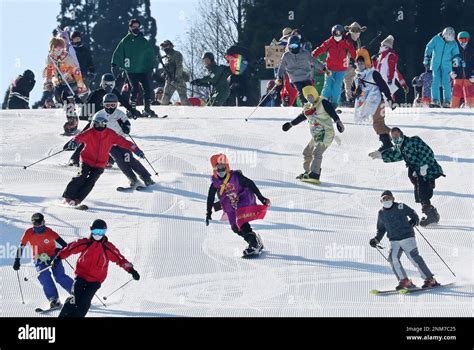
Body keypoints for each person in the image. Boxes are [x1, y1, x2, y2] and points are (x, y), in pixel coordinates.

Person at [55, 219, 140, 317]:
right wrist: (59, 257)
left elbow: (120, 259)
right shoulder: (85, 243)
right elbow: (70, 248)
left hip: (95, 281)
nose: (98, 235)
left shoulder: (107, 247)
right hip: (81, 276)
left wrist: (131, 270)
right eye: (96, 232)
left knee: (84, 302)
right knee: (74, 299)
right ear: (91, 230)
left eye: (101, 232)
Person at [62, 113, 145, 206]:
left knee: (91, 181)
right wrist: (74, 142)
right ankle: (68, 197)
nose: (100, 126)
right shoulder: (90, 132)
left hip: (100, 164)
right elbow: (79, 137)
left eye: (103, 123)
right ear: (94, 123)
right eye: (98, 124)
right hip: (87, 160)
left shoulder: (110, 134)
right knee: (81, 176)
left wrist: (136, 150)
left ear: (106, 123)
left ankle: (77, 200)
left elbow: (125, 142)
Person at [369, 127, 445, 226]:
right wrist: (381, 155)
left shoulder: (413, 141)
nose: (395, 137)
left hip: (427, 169)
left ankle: (431, 216)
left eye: (397, 134)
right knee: (420, 193)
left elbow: (428, 152)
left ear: (401, 133)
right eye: (393, 136)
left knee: (423, 192)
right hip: (417, 172)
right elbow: (395, 155)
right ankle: (431, 214)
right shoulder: (399, 146)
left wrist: (424, 166)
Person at [370, 190, 439, 290]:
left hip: (407, 237)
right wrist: (376, 240)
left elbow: (412, 213)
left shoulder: (400, 206)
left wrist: (414, 220)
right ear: (381, 201)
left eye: (388, 198)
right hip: (394, 240)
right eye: (384, 199)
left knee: (413, 257)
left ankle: (430, 279)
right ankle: (404, 281)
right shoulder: (381, 213)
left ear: (393, 199)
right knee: (393, 259)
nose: (386, 200)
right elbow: (381, 229)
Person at [67, 73, 141, 166]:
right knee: (86, 138)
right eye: (106, 84)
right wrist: (84, 109)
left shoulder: (115, 93)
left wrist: (132, 110)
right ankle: (74, 158)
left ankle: (108, 159)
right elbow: (87, 106)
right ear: (102, 83)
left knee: (110, 140)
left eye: (111, 84)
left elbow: (124, 101)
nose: (109, 87)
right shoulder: (97, 93)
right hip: (96, 121)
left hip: (110, 121)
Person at [206, 154, 270, 257]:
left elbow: (250, 184)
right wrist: (208, 212)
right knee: (235, 227)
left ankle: (254, 244)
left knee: (240, 219)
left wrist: (261, 198)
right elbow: (210, 197)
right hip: (231, 203)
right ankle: (254, 240)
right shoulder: (215, 182)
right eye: (218, 168)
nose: (221, 171)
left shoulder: (236, 176)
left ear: (227, 167)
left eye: (223, 168)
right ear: (214, 169)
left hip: (244, 197)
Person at [282, 85, 344, 183]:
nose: (309, 98)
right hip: (317, 135)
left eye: (311, 95)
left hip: (326, 133)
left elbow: (332, 112)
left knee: (317, 152)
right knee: (307, 152)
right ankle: (308, 172)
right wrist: (290, 124)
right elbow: (301, 117)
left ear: (315, 94)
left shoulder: (322, 102)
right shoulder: (307, 107)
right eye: (307, 97)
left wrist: (338, 122)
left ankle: (315, 174)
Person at [13, 213, 73, 309]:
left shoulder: (50, 232)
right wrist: (17, 260)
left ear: (43, 222)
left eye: (40, 224)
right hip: (39, 258)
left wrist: (59, 250)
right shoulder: (28, 233)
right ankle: (54, 299)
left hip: (53, 256)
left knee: (59, 276)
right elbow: (21, 247)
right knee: (44, 276)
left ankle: (76, 293)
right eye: (35, 224)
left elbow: (65, 245)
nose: (38, 226)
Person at [97, 93, 155, 187]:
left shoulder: (120, 114)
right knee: (119, 160)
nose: (110, 107)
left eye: (113, 105)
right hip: (109, 143)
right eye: (108, 105)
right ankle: (132, 178)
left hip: (121, 140)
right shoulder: (99, 115)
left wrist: (126, 128)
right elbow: (93, 129)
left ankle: (146, 177)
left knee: (129, 158)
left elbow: (127, 124)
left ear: (116, 104)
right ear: (103, 104)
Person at [111, 19, 158, 117]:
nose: (136, 28)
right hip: (131, 70)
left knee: (147, 89)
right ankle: (131, 109)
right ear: (130, 27)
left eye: (137, 27)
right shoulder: (125, 41)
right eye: (134, 27)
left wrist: (151, 65)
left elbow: (150, 54)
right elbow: (118, 53)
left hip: (143, 69)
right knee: (135, 88)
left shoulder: (143, 41)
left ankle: (147, 109)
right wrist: (114, 63)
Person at [43, 37, 87, 134]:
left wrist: (80, 84)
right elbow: (48, 71)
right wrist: (48, 81)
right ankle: (70, 115)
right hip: (59, 83)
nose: (58, 51)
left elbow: (76, 70)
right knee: (59, 98)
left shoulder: (67, 58)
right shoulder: (50, 58)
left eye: (60, 48)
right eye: (56, 49)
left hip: (70, 82)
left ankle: (73, 120)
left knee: (66, 96)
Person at [351, 55, 395, 152]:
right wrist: (356, 92)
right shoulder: (355, 78)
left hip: (378, 101)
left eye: (362, 63)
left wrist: (389, 98)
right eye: (358, 63)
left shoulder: (373, 73)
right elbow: (353, 94)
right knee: (380, 124)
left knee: (377, 124)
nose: (360, 65)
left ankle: (387, 144)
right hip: (367, 104)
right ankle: (397, 138)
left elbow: (383, 86)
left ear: (366, 63)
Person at [312, 24, 356, 108]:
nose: (338, 35)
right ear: (333, 34)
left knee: (337, 85)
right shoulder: (329, 41)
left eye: (339, 34)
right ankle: (323, 101)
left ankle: (334, 103)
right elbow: (321, 48)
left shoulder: (346, 43)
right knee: (328, 85)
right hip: (330, 68)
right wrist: (313, 55)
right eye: (336, 33)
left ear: (342, 34)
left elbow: (353, 51)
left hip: (341, 69)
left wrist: (357, 59)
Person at [276, 35, 327, 105]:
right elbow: (281, 67)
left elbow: (314, 61)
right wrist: (279, 77)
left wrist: (324, 68)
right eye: (291, 46)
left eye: (295, 46)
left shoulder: (304, 53)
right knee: (301, 90)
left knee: (310, 90)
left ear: (299, 45)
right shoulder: (286, 56)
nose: (293, 48)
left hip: (306, 77)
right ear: (288, 46)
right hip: (295, 79)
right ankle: (304, 104)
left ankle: (315, 104)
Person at [423, 27, 460, 107]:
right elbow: (429, 47)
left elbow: (456, 53)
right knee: (435, 82)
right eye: (447, 39)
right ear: (444, 36)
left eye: (449, 40)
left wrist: (456, 60)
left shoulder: (453, 43)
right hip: (436, 64)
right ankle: (435, 100)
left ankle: (447, 101)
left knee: (446, 83)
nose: (448, 41)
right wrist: (427, 57)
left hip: (447, 65)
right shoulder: (436, 39)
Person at [372, 35, 409, 103]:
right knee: (379, 99)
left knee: (388, 98)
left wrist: (391, 79)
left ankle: (391, 109)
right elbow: (376, 69)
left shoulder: (390, 56)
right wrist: (374, 62)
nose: (380, 47)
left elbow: (393, 70)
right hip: (379, 81)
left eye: (382, 45)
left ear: (386, 47)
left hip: (387, 81)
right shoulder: (380, 56)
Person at [342, 22, 368, 106]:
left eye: (358, 31)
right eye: (354, 30)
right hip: (346, 63)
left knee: (352, 81)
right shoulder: (348, 40)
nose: (356, 32)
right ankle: (350, 98)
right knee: (348, 80)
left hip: (352, 64)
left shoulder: (356, 40)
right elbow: (346, 52)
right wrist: (352, 62)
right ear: (350, 30)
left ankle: (352, 98)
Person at [159, 40, 190, 106]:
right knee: (164, 100)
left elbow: (179, 66)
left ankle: (189, 113)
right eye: (163, 47)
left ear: (170, 46)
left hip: (178, 80)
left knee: (184, 99)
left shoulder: (177, 54)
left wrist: (177, 78)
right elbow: (167, 68)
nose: (165, 49)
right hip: (169, 80)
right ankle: (163, 112)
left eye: (166, 46)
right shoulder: (166, 57)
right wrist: (164, 74)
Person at [451, 31, 474, 108]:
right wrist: (451, 72)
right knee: (456, 93)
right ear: (458, 40)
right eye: (461, 40)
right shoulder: (455, 50)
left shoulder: (471, 51)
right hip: (457, 75)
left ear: (468, 40)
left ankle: (470, 108)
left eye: (465, 40)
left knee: (469, 93)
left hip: (468, 76)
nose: (463, 42)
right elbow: (449, 62)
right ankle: (453, 108)